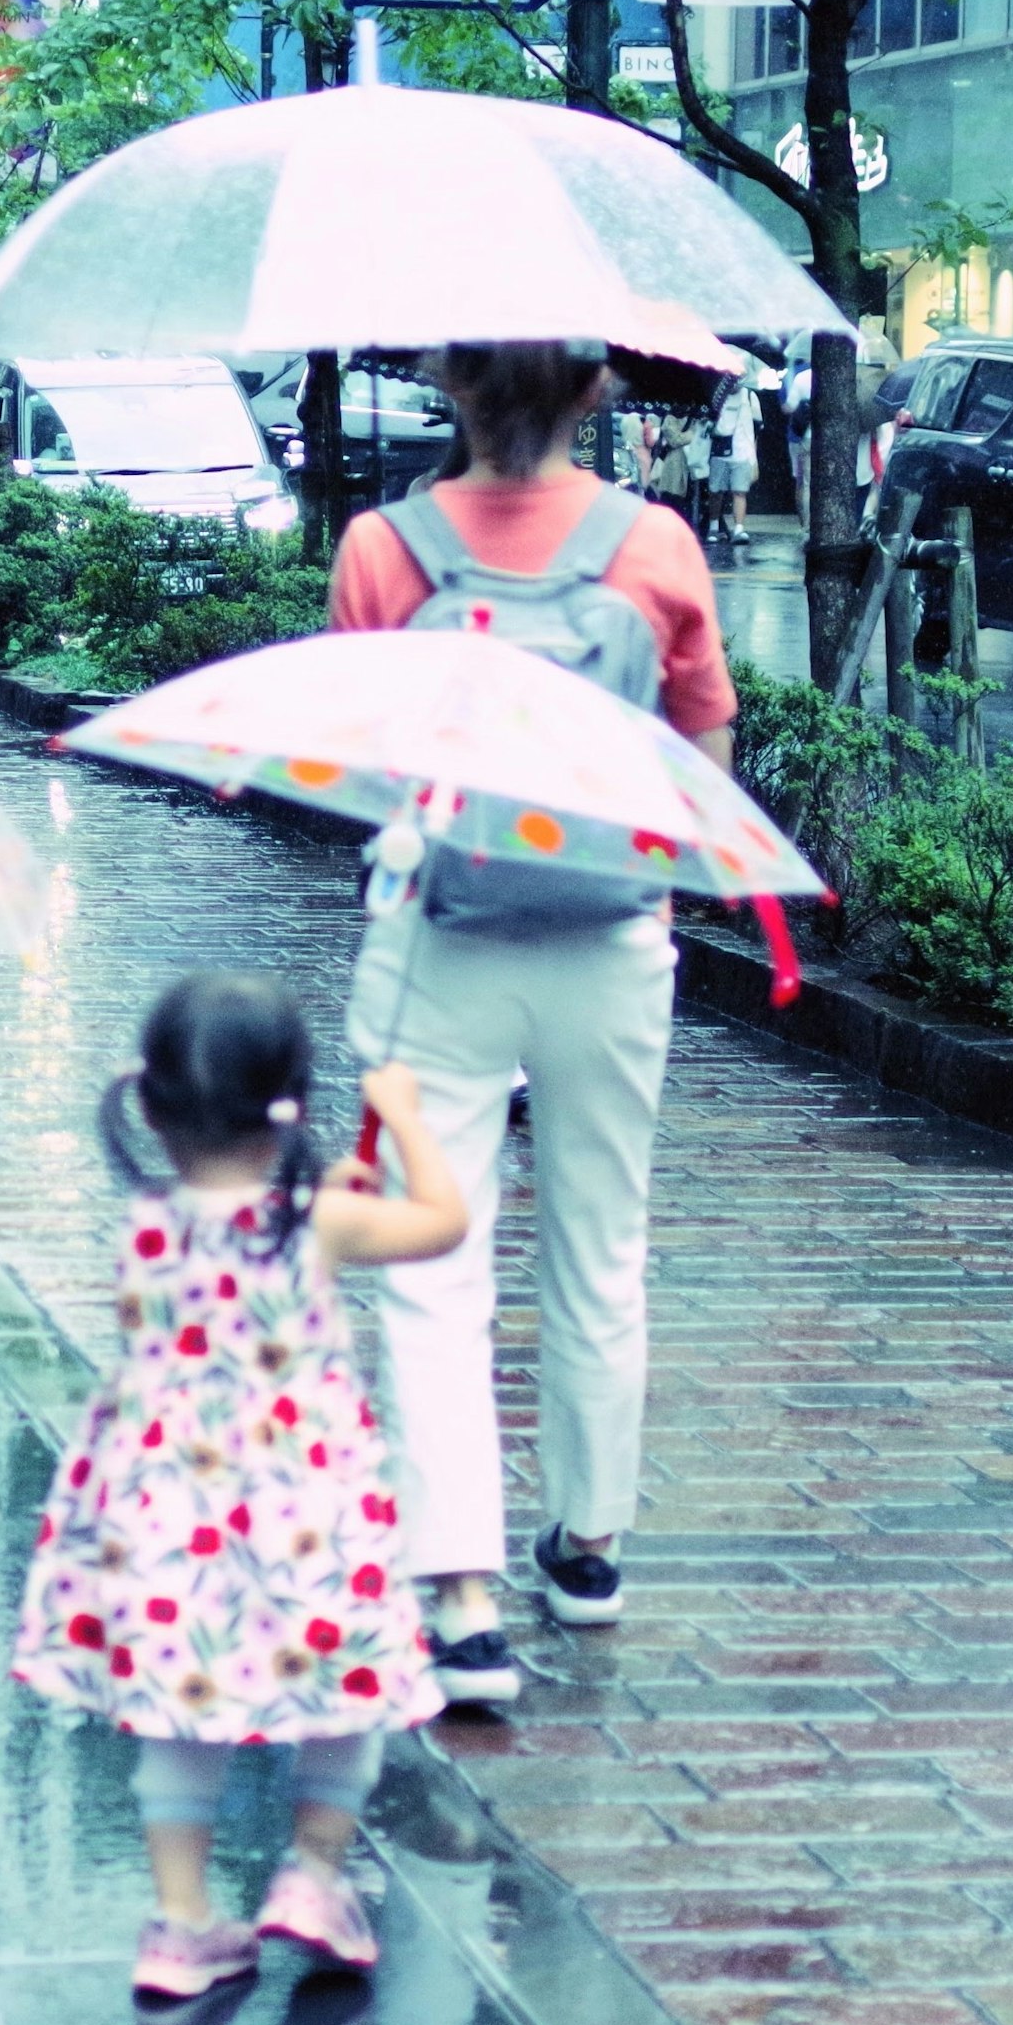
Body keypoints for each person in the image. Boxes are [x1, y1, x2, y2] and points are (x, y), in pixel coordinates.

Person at [328, 341, 736, 1708]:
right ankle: (591, 1545)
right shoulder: (658, 546)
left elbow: (360, 755)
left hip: (444, 933)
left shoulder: (386, 550)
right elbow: (703, 751)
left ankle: (459, 1597)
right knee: (601, 1246)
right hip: (615, 938)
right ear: (595, 390)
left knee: (433, 1266)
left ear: (448, 382)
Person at [8, 972, 466, 2001]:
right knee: (345, 1682)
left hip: (167, 1512)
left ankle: (179, 1924)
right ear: (290, 1104)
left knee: (180, 1704)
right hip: (303, 1508)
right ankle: (312, 1873)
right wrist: (401, 1119)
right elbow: (441, 1220)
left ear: (157, 1110)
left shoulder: (147, 1220)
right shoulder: (313, 1229)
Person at [704, 370, 759, 545]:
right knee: (715, 492)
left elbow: (757, 428)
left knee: (739, 491)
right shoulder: (718, 397)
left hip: (742, 451)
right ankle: (713, 529)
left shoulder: (750, 396)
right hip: (719, 451)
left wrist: (753, 457)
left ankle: (739, 528)